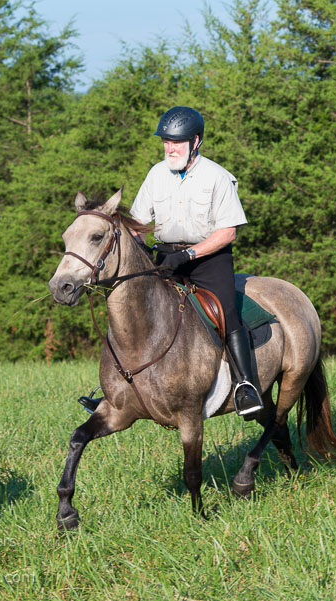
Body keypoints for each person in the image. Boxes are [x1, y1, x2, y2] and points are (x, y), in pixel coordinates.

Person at [130, 106, 265, 417]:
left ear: (196, 142)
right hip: (165, 256)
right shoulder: (155, 174)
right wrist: (139, 245)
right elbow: (138, 223)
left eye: (176, 142)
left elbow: (227, 232)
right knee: (132, 306)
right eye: (165, 141)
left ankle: (246, 386)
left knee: (227, 311)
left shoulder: (217, 177)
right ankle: (119, 389)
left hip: (208, 259)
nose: (169, 148)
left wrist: (188, 255)